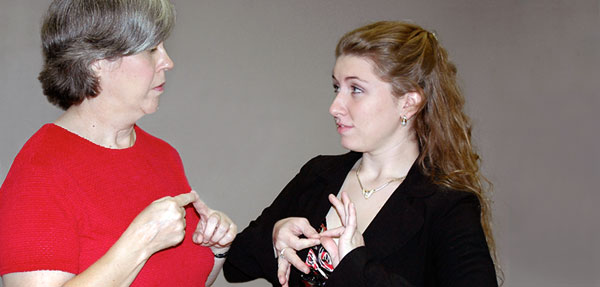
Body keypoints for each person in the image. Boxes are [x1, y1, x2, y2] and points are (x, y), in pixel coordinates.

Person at [223, 21, 500, 286]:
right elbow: (236, 264)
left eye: (356, 89)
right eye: (336, 87)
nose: (335, 106)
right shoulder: (318, 174)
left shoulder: (447, 206)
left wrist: (357, 264)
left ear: (408, 102)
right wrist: (275, 237)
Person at [0, 0, 236, 286]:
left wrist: (215, 249)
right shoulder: (41, 170)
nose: (168, 62)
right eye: (151, 50)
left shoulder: (163, 156)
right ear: (96, 62)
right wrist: (140, 242)